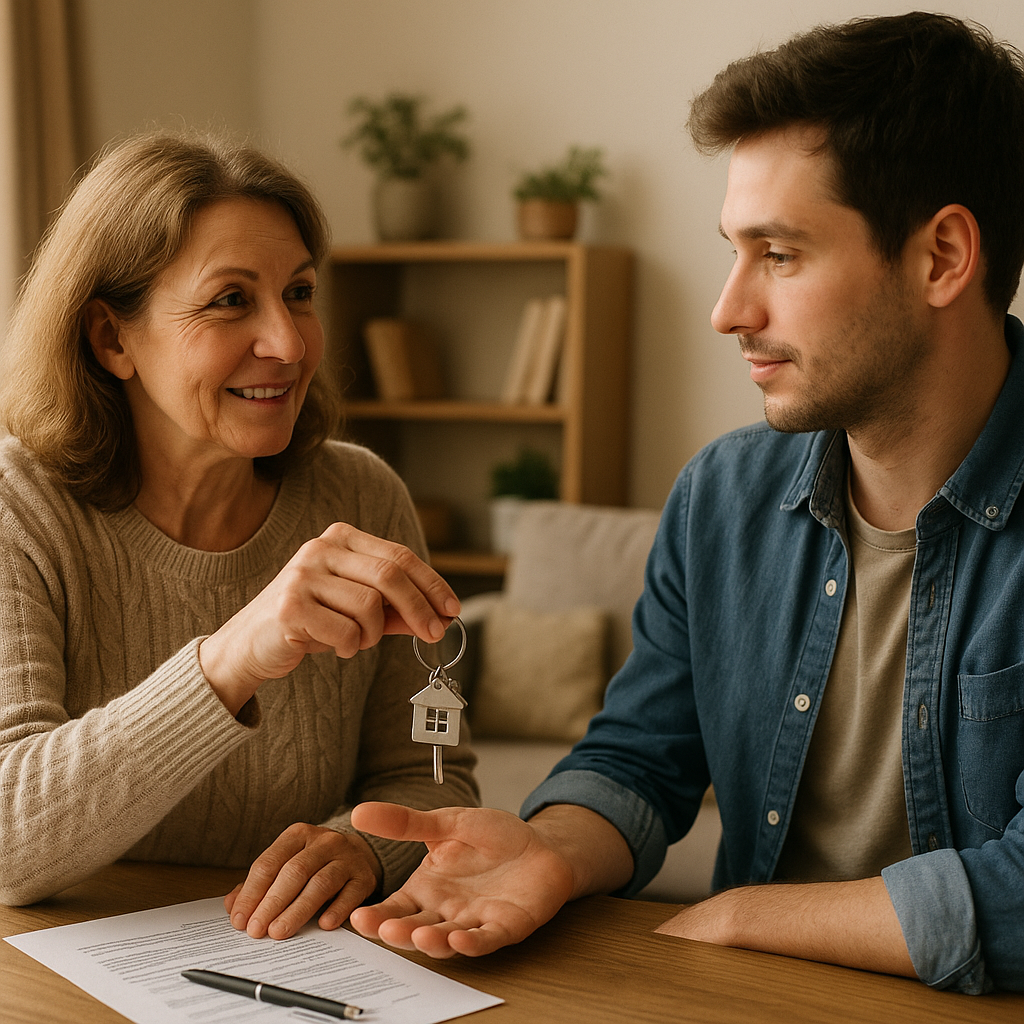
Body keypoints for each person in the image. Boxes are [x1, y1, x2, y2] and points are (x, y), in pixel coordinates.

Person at [348, 12, 1024, 994]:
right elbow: (640, 756)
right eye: (731, 250)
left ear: (940, 257)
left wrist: (738, 913)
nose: (727, 309)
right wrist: (551, 849)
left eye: (778, 254)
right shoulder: (721, 496)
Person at [0, 132, 477, 941]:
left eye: (298, 293)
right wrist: (233, 656)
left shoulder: (364, 495)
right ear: (112, 338)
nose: (289, 345)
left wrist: (366, 847)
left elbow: (435, 777)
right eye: (230, 300)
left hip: (294, 967)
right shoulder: (20, 508)